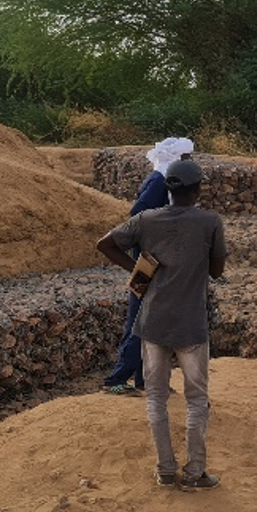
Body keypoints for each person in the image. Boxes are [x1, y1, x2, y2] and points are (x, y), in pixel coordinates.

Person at [97, 159, 227, 490]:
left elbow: (105, 244)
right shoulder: (210, 221)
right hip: (191, 324)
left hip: (152, 321)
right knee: (197, 399)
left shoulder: (147, 219)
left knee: (155, 397)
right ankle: (195, 473)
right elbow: (216, 271)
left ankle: (165, 470)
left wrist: (139, 270)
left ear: (168, 190)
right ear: (197, 190)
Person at [100, 136, 195, 395]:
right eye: (187, 158)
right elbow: (139, 214)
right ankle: (116, 379)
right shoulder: (159, 182)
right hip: (148, 263)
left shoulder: (166, 181)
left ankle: (146, 380)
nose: (190, 161)